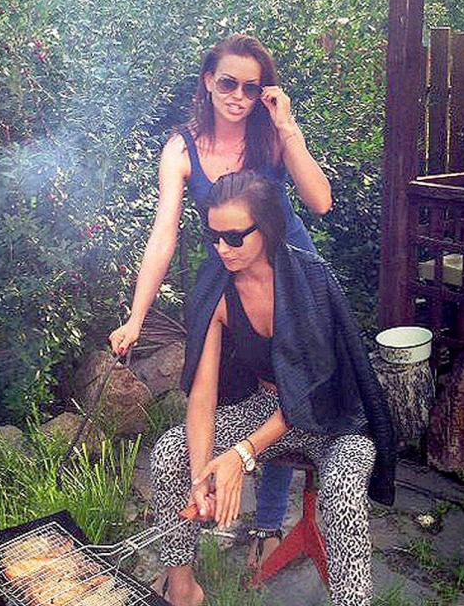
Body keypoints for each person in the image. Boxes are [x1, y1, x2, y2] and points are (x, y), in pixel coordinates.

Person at [109, 34, 332, 568]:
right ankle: (200, 505)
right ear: (208, 81)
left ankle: (268, 524)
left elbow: (320, 202)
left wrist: (289, 129)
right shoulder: (180, 148)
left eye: (251, 88)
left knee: (284, 382)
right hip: (230, 272)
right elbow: (163, 235)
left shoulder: (270, 136)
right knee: (230, 389)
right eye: (228, 82)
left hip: (288, 273)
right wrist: (136, 316)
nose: (238, 96)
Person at [149, 171, 395, 606]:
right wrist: (202, 476)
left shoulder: (309, 279)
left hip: (337, 416)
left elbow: (311, 391)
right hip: (268, 407)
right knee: (172, 452)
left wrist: (241, 454)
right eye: (213, 236)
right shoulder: (217, 285)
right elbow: (203, 394)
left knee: (341, 486)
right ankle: (183, 590)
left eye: (234, 237)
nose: (222, 248)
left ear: (266, 228)